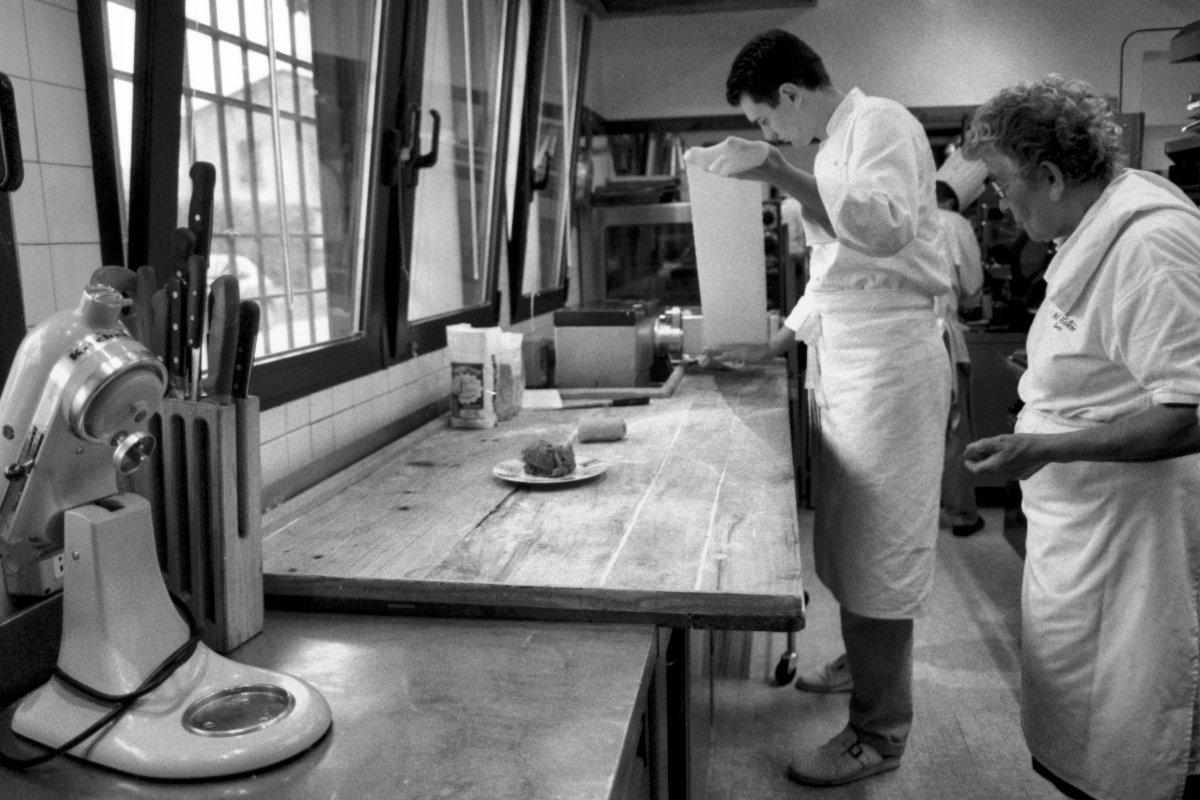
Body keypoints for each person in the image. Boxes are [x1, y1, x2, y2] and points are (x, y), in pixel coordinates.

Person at [708, 29, 953, 787]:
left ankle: (880, 732)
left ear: (789, 93)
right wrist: (775, 343)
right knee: (849, 535)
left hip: (889, 369)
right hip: (850, 361)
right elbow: (833, 275)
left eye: (763, 119)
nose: (766, 134)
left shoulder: (880, 123)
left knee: (879, 543)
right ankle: (865, 659)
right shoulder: (836, 143)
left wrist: (781, 169)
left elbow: (881, 229)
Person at [961, 74, 1200, 800]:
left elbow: (1191, 408)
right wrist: (1054, 381)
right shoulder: (1085, 233)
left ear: (1054, 175)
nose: (999, 202)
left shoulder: (1153, 242)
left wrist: (1048, 445)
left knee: (1133, 718)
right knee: (1085, 717)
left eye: (1003, 185)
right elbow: (1118, 357)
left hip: (1136, 539)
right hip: (1087, 529)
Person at [933, 180, 985, 537]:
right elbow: (971, 285)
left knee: (914, 431)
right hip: (940, 337)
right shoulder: (954, 223)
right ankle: (962, 513)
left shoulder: (899, 217)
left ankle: (922, 515)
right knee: (954, 429)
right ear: (951, 200)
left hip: (895, 341)